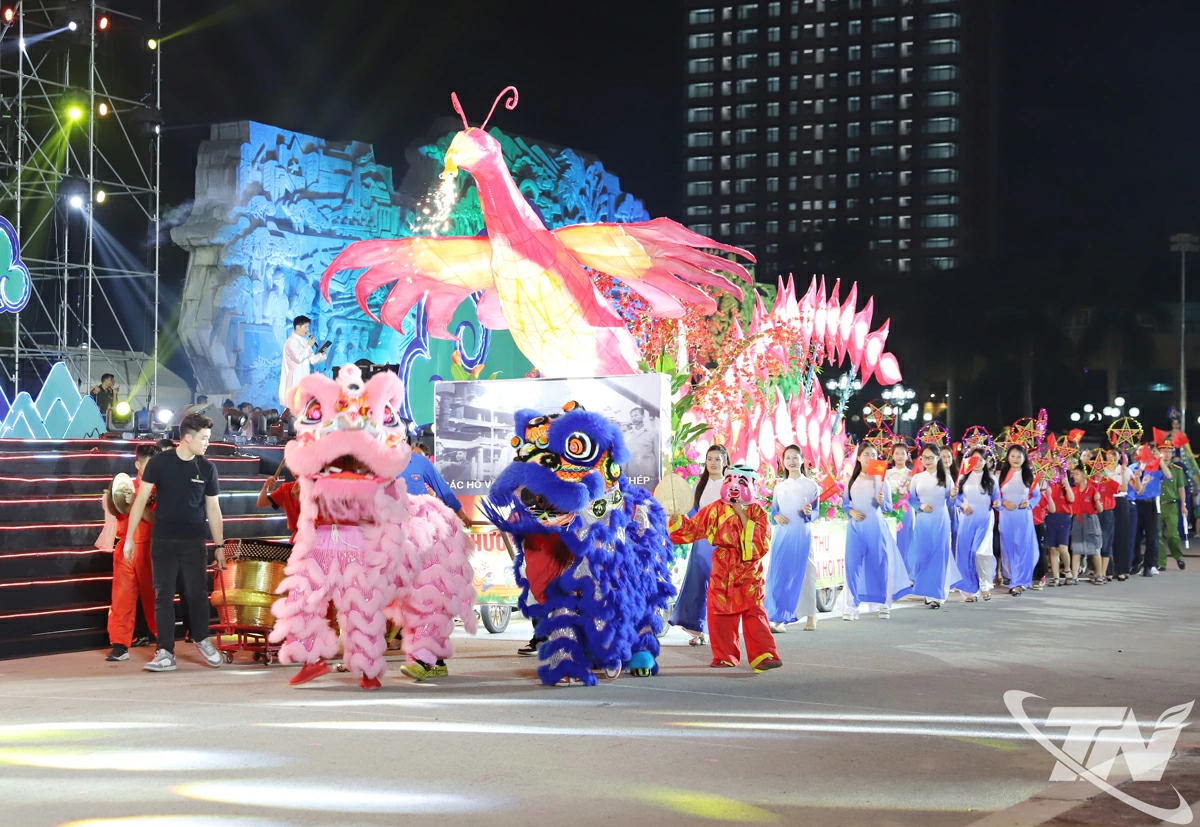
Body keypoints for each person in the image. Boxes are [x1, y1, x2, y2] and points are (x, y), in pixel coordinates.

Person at [124, 413, 226, 672]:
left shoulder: (207, 468)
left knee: (196, 594)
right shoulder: (159, 463)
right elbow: (140, 501)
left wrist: (220, 547)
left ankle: (202, 639)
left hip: (194, 542)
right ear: (187, 438)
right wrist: (129, 539)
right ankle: (165, 652)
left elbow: (214, 510)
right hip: (163, 541)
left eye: (208, 438)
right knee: (163, 596)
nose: (207, 443)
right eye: (203, 438)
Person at [668, 464, 781, 672]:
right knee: (719, 611)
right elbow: (692, 529)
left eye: (741, 481)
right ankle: (724, 655)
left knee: (753, 611)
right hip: (722, 566)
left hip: (748, 569)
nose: (734, 486)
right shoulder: (715, 509)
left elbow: (761, 542)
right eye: (730, 480)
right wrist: (676, 519)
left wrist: (742, 514)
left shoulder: (757, 511)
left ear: (754, 486)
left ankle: (764, 655)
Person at [104, 442, 162, 661]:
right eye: (148, 465)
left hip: (150, 548)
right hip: (125, 550)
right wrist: (112, 497)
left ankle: (163, 643)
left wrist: (136, 505)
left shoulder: (160, 489)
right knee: (121, 599)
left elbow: (155, 520)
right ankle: (119, 645)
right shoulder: (125, 486)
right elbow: (115, 513)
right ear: (138, 464)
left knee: (155, 599)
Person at [669, 445, 729, 645]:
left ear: (725, 462)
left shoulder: (730, 486)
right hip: (702, 542)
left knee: (720, 587)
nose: (713, 463)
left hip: (723, 543)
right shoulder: (698, 486)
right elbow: (693, 515)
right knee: (698, 584)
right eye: (709, 459)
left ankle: (721, 632)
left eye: (717, 459)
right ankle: (698, 630)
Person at [842, 443, 910, 619]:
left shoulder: (882, 480)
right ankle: (851, 606)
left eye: (873, 454)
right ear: (858, 457)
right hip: (856, 529)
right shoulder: (851, 480)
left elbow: (888, 507)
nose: (869, 457)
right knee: (852, 565)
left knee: (879, 564)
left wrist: (881, 502)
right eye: (866, 454)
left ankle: (883, 604)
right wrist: (851, 512)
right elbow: (845, 504)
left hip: (876, 528)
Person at [765, 445, 820, 632]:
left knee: (807, 574)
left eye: (795, 457)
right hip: (783, 535)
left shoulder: (811, 485)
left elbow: (816, 512)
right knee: (780, 575)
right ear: (783, 462)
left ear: (802, 460)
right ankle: (779, 618)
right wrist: (776, 517)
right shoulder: (779, 487)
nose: (792, 461)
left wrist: (809, 513)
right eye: (788, 458)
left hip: (802, 534)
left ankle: (811, 615)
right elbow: (774, 512)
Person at [909, 444, 954, 609]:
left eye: (931, 457)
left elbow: (950, 502)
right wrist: (920, 507)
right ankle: (927, 589)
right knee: (922, 556)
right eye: (924, 457)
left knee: (938, 557)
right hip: (922, 521)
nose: (927, 461)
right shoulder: (917, 478)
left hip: (940, 521)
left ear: (938, 458)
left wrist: (954, 496)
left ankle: (936, 595)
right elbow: (911, 499)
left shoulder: (946, 478)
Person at [952, 447, 998, 602]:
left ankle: (985, 586)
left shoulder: (992, 479)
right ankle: (969, 591)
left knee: (979, 552)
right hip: (966, 519)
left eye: (981, 459)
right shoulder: (963, 478)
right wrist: (963, 506)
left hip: (984, 519)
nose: (977, 462)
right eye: (974, 459)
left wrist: (998, 503)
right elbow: (957, 499)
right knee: (964, 554)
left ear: (986, 461)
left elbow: (997, 499)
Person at [997, 445, 1041, 596]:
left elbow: (1036, 496)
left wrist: (1029, 504)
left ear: (1024, 458)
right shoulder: (1001, 476)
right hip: (1006, 517)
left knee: (1023, 548)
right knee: (1009, 549)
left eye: (1019, 456)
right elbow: (995, 498)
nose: (1016, 459)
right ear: (1008, 457)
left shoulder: (1029, 476)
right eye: (1013, 455)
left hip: (1023, 517)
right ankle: (1016, 579)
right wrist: (1003, 503)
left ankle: (1018, 582)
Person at [278, 315, 328, 413]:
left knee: (304, 407)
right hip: (294, 380)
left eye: (308, 327)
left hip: (304, 379)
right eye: (305, 327)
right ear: (297, 327)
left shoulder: (305, 342)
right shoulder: (290, 342)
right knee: (294, 408)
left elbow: (312, 360)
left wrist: (321, 354)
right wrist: (309, 346)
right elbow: (298, 358)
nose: (307, 330)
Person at [1129, 445, 1164, 577]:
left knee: (1152, 537)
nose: (1143, 452)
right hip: (1136, 504)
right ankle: (1136, 561)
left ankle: (1149, 565)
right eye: (1140, 450)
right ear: (1136, 453)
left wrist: (1159, 459)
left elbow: (1168, 476)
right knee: (1135, 536)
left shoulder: (1155, 467)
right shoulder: (1132, 468)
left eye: (1146, 450)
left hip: (1151, 504)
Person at [1068, 465, 1104, 585]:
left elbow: (1100, 509)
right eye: (1073, 474)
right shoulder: (1073, 490)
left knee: (1094, 549)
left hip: (1091, 520)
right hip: (1078, 520)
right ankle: (1074, 576)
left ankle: (1099, 574)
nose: (1074, 476)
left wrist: (1098, 500)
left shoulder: (1093, 489)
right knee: (1076, 549)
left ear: (1084, 475)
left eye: (1077, 474)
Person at [1157, 442, 1187, 571]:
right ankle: (1161, 562)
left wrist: (1183, 505)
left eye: (1169, 451)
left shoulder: (1177, 469)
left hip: (1171, 505)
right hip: (1157, 505)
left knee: (1172, 535)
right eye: (1164, 451)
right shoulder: (1154, 468)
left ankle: (1178, 556)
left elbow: (1181, 488)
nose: (1167, 454)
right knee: (1156, 535)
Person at [1104, 449, 1134, 581]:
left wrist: (1126, 475)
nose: (1111, 458)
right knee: (1107, 536)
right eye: (1108, 455)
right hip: (1106, 502)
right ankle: (1107, 570)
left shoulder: (1125, 470)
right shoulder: (1102, 470)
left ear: (1118, 457)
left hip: (1121, 501)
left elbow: (1135, 487)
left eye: (1114, 455)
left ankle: (1123, 569)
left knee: (1122, 536)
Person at [1045, 472, 1074, 586]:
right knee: (1053, 549)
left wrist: (1066, 484)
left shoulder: (1065, 487)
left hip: (1063, 517)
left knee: (1062, 548)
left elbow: (1071, 499)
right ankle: (1056, 577)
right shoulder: (1048, 485)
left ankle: (1067, 571)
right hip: (1051, 517)